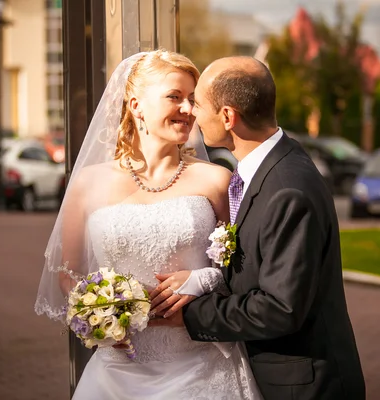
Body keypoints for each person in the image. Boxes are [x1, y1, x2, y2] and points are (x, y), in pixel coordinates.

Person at [34, 50, 263, 399]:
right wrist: (97, 315)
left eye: (192, 99)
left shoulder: (217, 180)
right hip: (118, 372)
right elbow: (69, 272)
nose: (188, 110)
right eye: (174, 97)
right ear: (136, 105)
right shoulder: (87, 184)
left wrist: (202, 279)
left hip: (201, 365)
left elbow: (242, 269)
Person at [149, 56, 366, 400]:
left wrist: (189, 314)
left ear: (228, 116)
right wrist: (202, 279)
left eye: (199, 104)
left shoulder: (288, 189)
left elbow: (280, 308)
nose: (191, 113)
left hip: (302, 387)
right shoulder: (268, 166)